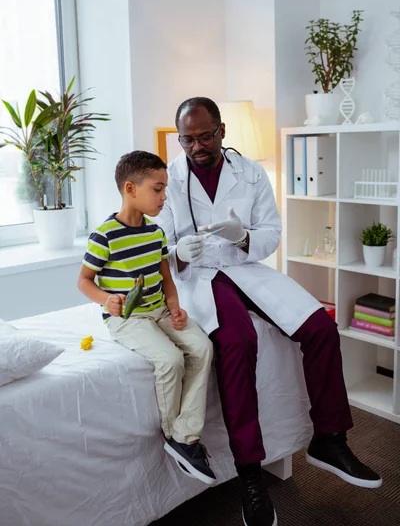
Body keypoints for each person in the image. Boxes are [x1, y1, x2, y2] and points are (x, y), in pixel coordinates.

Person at [156, 98, 382, 526]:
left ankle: (330, 439)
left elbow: (271, 231)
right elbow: (161, 244)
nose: (197, 146)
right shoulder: (169, 179)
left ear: (222, 130)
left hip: (246, 268)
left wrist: (243, 237)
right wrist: (177, 253)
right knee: (239, 343)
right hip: (200, 277)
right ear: (179, 137)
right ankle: (250, 477)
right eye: (188, 139)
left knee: (320, 326)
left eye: (205, 136)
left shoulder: (251, 172)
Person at [77, 150, 215, 485]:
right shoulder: (104, 235)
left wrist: (176, 306)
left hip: (161, 310)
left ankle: (185, 433)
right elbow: (84, 281)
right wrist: (106, 299)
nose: (164, 196)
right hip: (128, 319)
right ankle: (175, 435)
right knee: (170, 359)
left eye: (165, 189)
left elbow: (166, 277)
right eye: (157, 189)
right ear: (130, 188)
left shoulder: (155, 234)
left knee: (203, 347)